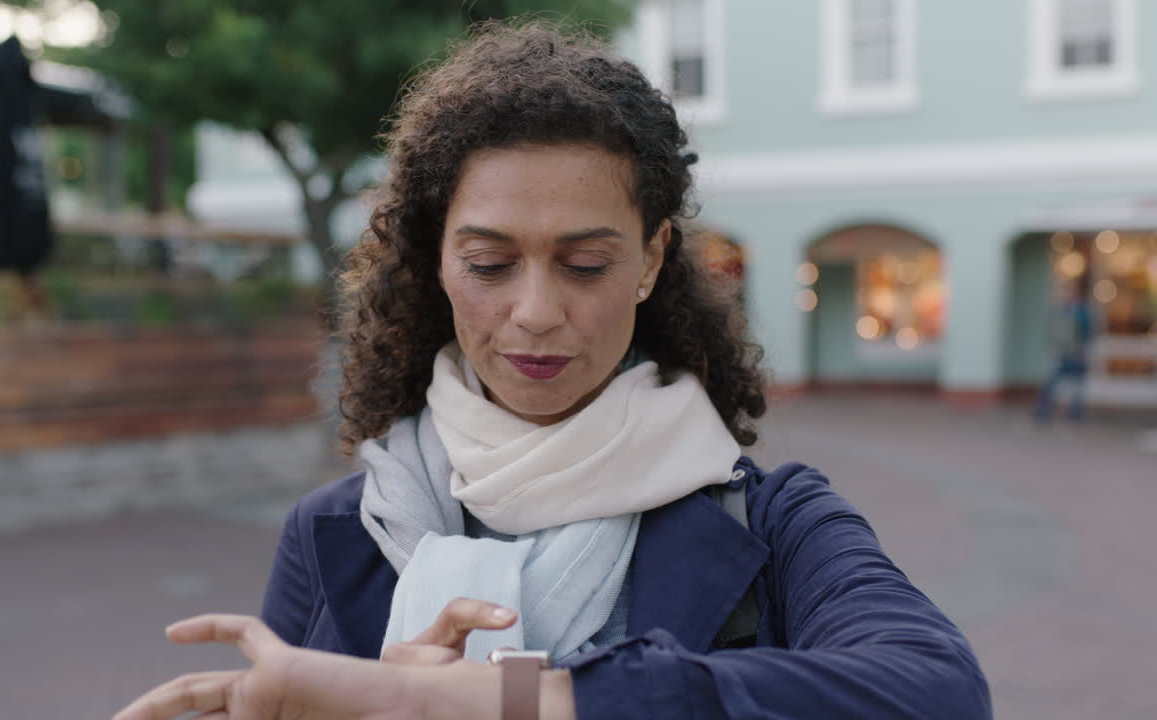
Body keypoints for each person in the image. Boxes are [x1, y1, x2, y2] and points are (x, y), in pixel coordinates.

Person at [115, 21, 991, 720]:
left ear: (651, 260)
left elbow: (939, 692)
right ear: (436, 261)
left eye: (585, 265)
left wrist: (486, 700)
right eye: (490, 264)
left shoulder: (774, 521)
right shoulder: (331, 534)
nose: (535, 311)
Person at [1033, 279, 1093, 423]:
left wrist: (1084, 350)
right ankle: (1043, 411)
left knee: (1076, 386)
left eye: (1066, 292)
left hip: (1077, 353)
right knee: (1051, 383)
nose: (1062, 295)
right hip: (1060, 353)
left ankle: (1075, 413)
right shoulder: (1057, 310)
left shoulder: (1082, 311)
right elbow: (1051, 329)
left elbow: (1088, 331)